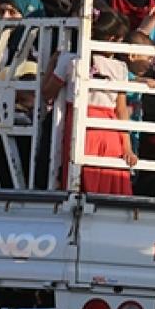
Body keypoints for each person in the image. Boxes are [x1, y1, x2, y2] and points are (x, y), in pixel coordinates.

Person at [39, 10, 138, 195]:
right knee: (109, 184)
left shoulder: (70, 60)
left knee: (78, 181)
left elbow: (47, 93)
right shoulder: (120, 67)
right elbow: (121, 110)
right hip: (110, 131)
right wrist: (127, 147)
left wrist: (52, 64)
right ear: (113, 39)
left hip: (80, 125)